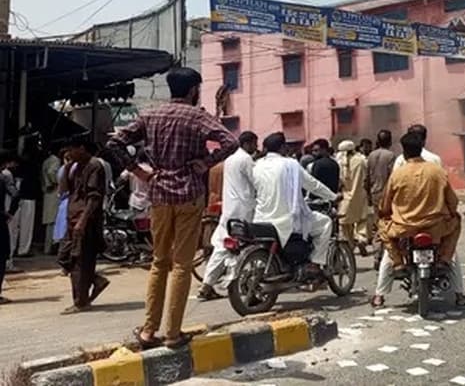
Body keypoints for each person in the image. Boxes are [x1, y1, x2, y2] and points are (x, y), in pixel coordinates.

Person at [107, 67, 238, 349]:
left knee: (159, 262)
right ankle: (173, 334)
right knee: (182, 265)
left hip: (159, 194)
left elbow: (115, 142)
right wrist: (206, 161)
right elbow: (231, 141)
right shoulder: (197, 116)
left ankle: (147, 331)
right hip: (189, 195)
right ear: (193, 90)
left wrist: (139, 173)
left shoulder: (151, 114)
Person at [374, 124, 465, 308]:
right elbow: (453, 201)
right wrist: (449, 213)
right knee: (455, 225)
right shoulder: (437, 169)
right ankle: (453, 283)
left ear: (404, 151)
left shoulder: (397, 172)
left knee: (387, 240)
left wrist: (386, 214)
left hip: (404, 227)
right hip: (435, 226)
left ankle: (385, 285)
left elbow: (385, 205)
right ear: (422, 145)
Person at [252, 132, 337, 274]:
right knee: (325, 222)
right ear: (282, 147)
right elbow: (312, 185)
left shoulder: (256, 166)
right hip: (285, 220)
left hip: (260, 220)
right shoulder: (290, 164)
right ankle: (315, 263)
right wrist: (333, 196)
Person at [197, 131, 259, 301]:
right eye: (254, 143)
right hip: (244, 210)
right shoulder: (246, 159)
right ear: (247, 144)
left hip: (229, 209)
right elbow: (257, 182)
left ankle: (206, 285)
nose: (256, 147)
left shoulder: (229, 160)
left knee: (221, 248)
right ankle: (246, 288)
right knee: (244, 249)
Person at [58, 137, 109, 314]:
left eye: (72, 150)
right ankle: (95, 280)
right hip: (72, 219)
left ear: (82, 148)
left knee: (79, 260)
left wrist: (83, 220)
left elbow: (94, 197)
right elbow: (64, 189)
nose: (69, 154)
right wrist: (66, 166)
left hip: (85, 221)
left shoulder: (94, 166)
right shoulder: (75, 167)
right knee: (64, 258)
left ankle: (80, 301)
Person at [365, 130, 396, 260]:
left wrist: (368, 197)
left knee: (378, 224)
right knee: (388, 224)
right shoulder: (391, 156)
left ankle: (377, 254)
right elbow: (393, 177)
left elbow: (366, 178)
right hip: (387, 194)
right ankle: (387, 255)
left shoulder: (371, 155)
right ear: (390, 141)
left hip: (374, 193)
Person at [338, 140, 369, 253]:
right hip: (360, 193)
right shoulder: (361, 160)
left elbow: (339, 181)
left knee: (346, 223)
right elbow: (367, 177)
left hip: (346, 195)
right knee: (362, 220)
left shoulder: (339, 161)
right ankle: (361, 238)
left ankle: (350, 244)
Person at [0, 150, 21, 304]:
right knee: (1, 257)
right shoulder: (4, 177)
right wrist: (10, 213)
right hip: (0, 220)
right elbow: (15, 195)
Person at [41, 145, 62, 254]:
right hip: (53, 192)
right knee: (52, 221)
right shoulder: (56, 161)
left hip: (47, 192)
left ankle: (47, 247)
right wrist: (56, 182)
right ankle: (50, 247)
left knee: (50, 221)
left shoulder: (47, 160)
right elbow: (51, 172)